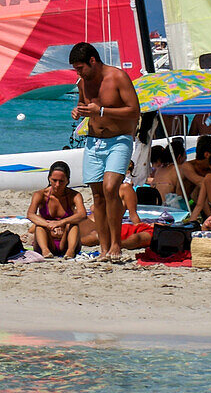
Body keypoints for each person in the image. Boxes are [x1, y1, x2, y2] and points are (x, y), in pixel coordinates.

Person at [69, 42, 140, 263]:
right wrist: (78, 111)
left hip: (119, 140)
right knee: (98, 195)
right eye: (75, 69)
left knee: (111, 188)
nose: (78, 73)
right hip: (94, 142)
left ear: (93, 61)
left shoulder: (117, 77)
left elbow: (135, 111)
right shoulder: (83, 82)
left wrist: (100, 110)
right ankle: (104, 247)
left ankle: (116, 243)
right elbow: (83, 105)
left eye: (80, 68)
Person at [26, 161, 85, 258]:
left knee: (73, 224)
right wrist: (49, 225)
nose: (57, 184)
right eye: (54, 180)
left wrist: (61, 222)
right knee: (39, 225)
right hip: (47, 240)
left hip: (66, 240)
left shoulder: (74, 195)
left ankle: (70, 251)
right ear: (49, 179)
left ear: (67, 181)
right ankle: (45, 251)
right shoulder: (40, 195)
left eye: (61, 181)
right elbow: (30, 214)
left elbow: (82, 215)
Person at [150, 139, 189, 208]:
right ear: (179, 157)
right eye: (185, 158)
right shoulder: (180, 169)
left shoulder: (159, 170)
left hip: (154, 206)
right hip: (169, 209)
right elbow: (181, 196)